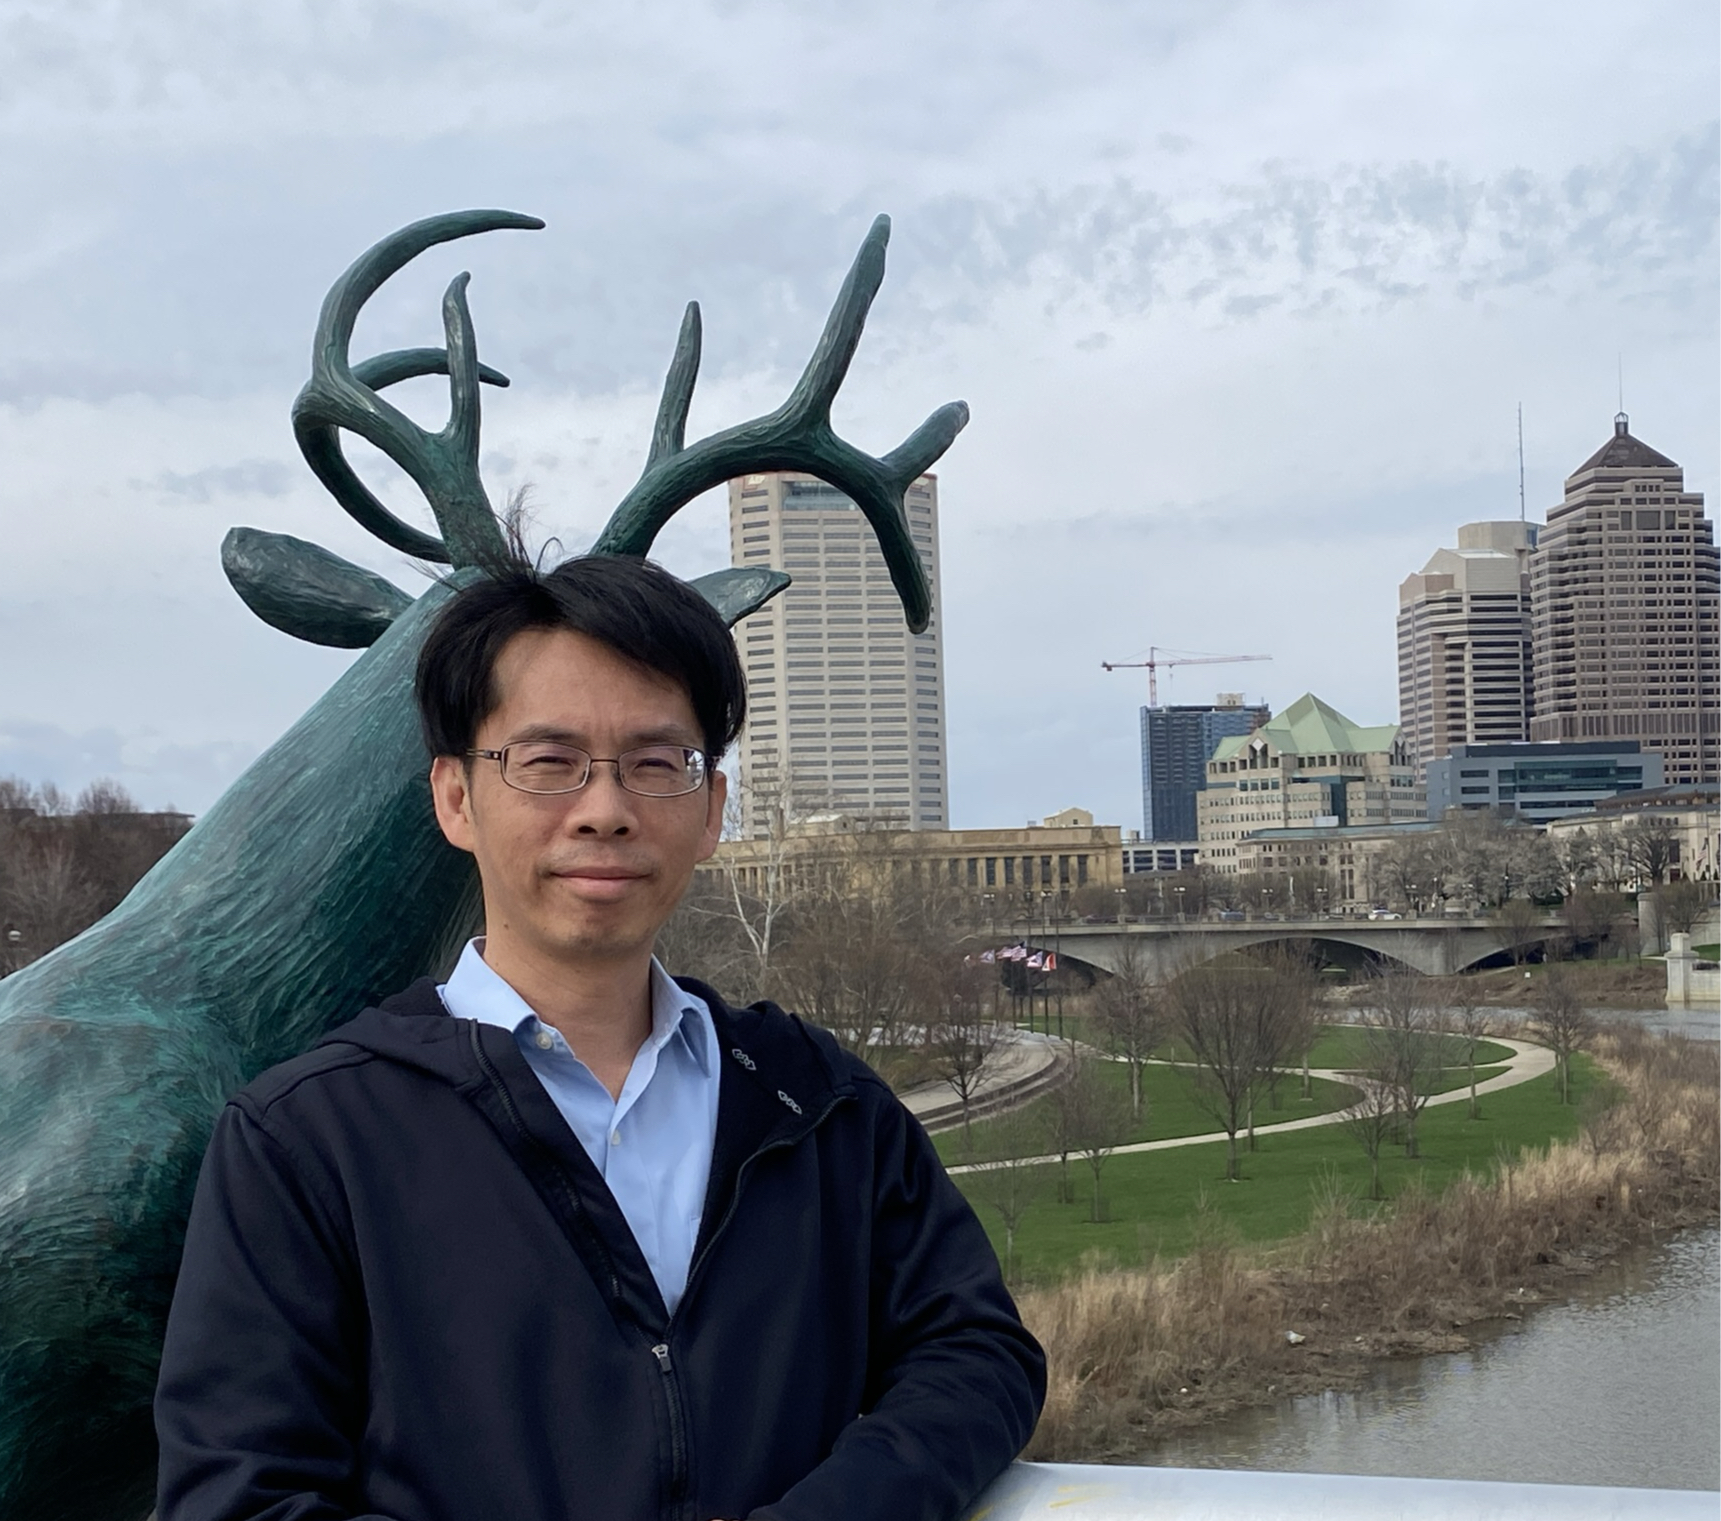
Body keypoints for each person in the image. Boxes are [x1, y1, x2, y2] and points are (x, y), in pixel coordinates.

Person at [154, 553, 1045, 1521]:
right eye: (548, 763)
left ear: (709, 811)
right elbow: (238, 1499)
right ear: (454, 798)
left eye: (656, 764)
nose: (606, 811)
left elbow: (976, 1351)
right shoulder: (307, 1141)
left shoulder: (814, 1103)